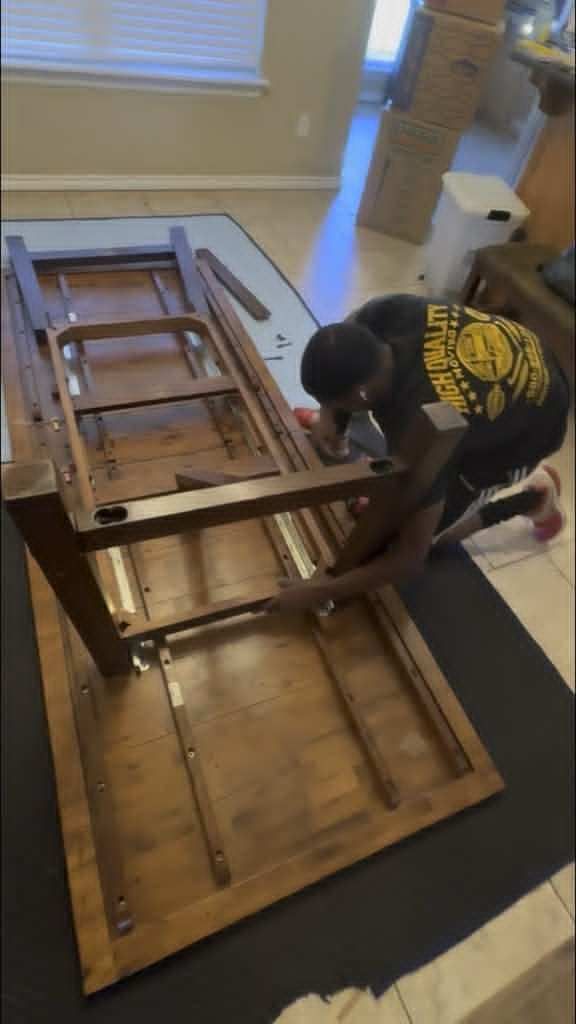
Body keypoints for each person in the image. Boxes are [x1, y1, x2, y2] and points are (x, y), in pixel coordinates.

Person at [267, 294, 569, 614]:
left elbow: (409, 559)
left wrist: (320, 590)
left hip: (532, 428)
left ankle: (534, 498)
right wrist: (331, 418)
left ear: (361, 394)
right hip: (521, 352)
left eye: (337, 403)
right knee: (407, 492)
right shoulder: (387, 314)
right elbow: (347, 330)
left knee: (412, 537)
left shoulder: (423, 428)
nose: (332, 408)